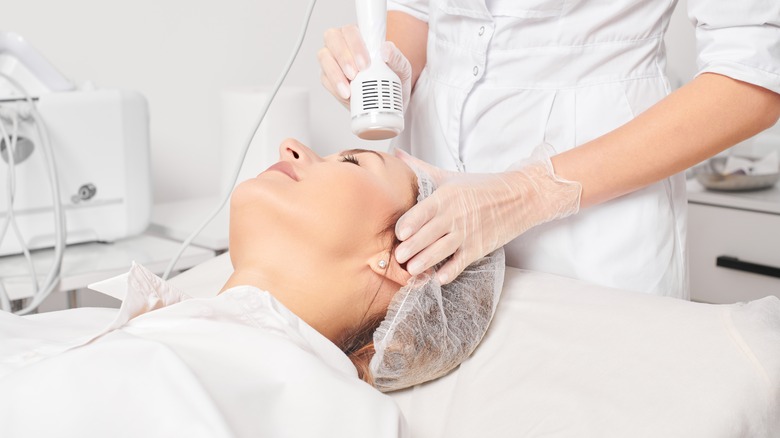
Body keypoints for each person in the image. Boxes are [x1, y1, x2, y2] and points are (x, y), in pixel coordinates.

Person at [318, 0, 780, 298]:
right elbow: (419, 11)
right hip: (438, 205)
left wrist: (529, 193)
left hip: (593, 219)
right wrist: (386, 70)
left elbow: (752, 79)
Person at [0, 139, 420, 438]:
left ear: (406, 260)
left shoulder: (341, 415)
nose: (290, 146)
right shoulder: (99, 323)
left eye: (351, 162)